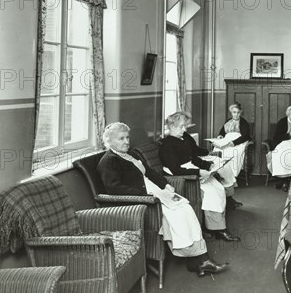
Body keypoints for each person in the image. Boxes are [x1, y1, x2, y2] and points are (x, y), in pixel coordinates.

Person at [97, 122, 228, 277]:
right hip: (141, 202)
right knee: (177, 215)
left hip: (154, 192)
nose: (126, 141)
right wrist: (148, 196)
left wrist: (165, 185)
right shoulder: (108, 161)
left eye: (127, 137)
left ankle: (199, 260)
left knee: (186, 208)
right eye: (121, 139)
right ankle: (199, 261)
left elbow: (150, 172)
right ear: (109, 141)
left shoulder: (131, 154)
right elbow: (115, 189)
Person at [159, 112, 240, 242]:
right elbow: (175, 169)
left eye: (185, 126)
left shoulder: (182, 139)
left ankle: (215, 227)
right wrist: (198, 172)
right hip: (184, 175)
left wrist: (208, 165)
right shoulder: (168, 145)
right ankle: (218, 229)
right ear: (172, 127)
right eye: (181, 127)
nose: (185, 130)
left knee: (219, 188)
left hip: (192, 170)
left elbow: (193, 158)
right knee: (212, 192)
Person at [210, 102, 251, 209]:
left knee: (233, 153)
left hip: (238, 142)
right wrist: (220, 137)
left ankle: (230, 178)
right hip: (227, 140)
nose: (236, 115)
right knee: (218, 150)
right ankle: (218, 174)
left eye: (238, 112)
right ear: (231, 112)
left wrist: (233, 143)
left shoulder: (244, 123)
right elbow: (222, 132)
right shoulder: (228, 121)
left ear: (240, 112)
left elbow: (246, 136)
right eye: (234, 112)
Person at [267, 105, 291, 192]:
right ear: (288, 114)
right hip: (281, 143)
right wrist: (289, 135)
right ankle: (283, 181)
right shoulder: (282, 121)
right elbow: (276, 137)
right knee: (280, 154)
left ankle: (284, 182)